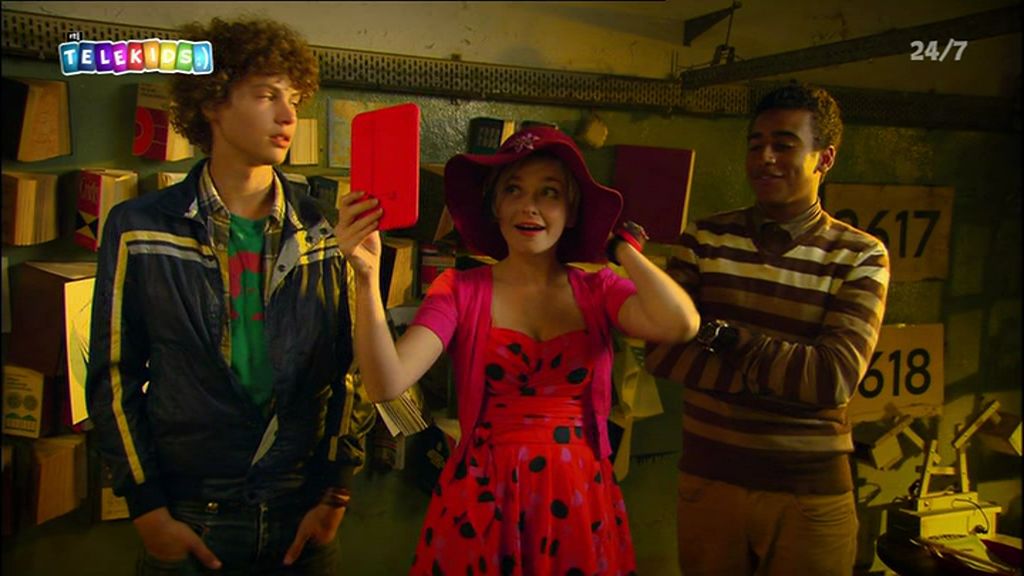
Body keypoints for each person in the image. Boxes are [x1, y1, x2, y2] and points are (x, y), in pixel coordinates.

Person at [337, 126, 700, 575]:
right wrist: (366, 278)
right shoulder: (459, 290)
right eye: (513, 189)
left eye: (550, 193)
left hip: (578, 500)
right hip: (483, 500)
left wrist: (619, 249)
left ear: (572, 212)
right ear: (495, 206)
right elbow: (386, 382)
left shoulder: (599, 290)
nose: (529, 206)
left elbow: (681, 323)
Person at [86, 17, 375, 575]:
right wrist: (147, 510)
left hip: (300, 512)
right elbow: (112, 375)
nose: (288, 116)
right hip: (191, 511)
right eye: (267, 95)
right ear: (212, 103)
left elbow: (350, 370)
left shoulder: (323, 229)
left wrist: (336, 493)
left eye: (294, 99)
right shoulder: (140, 226)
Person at [645, 83, 891, 576]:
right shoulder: (704, 239)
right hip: (710, 484)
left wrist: (720, 338)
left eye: (784, 144)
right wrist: (785, 375)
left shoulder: (860, 255)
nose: (765, 158)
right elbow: (662, 352)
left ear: (825, 158)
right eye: (756, 145)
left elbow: (832, 379)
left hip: (809, 497)